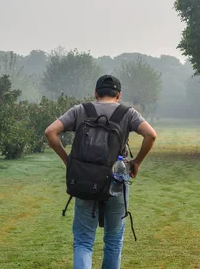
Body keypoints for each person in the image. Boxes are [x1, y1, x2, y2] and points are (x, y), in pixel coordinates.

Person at [45, 75, 157, 269]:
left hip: (84, 180)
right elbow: (151, 134)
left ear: (96, 93)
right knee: (113, 240)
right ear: (119, 95)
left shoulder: (81, 110)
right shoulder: (127, 113)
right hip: (116, 180)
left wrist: (67, 160)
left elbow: (50, 132)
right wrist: (136, 161)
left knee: (83, 240)